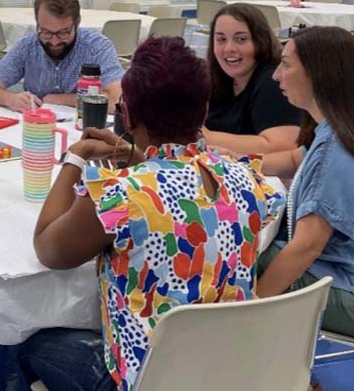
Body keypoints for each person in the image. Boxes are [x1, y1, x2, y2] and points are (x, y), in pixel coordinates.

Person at [19, 36, 282, 391]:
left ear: (126, 114)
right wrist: (142, 159)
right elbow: (185, 200)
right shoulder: (246, 178)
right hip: (229, 370)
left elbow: (48, 249)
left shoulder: (121, 195)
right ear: (203, 112)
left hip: (147, 379)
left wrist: (76, 157)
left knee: (34, 345)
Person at [257, 26, 354, 337]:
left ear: (317, 73)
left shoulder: (334, 148)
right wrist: (231, 163)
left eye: (286, 64)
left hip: (346, 288)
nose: (276, 76)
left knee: (246, 257)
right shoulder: (336, 128)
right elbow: (298, 158)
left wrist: (248, 308)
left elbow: (306, 248)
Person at [0, 0, 123, 112]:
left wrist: (62, 99)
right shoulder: (28, 46)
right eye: (46, 32)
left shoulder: (97, 47)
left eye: (63, 32)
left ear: (77, 22)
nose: (54, 41)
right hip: (35, 130)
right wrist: (11, 99)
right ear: (37, 23)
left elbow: (118, 100)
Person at [203, 3, 301, 154]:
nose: (229, 48)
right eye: (221, 39)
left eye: (241, 39)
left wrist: (204, 136)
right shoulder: (219, 78)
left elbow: (282, 145)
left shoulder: (273, 82)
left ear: (260, 41)